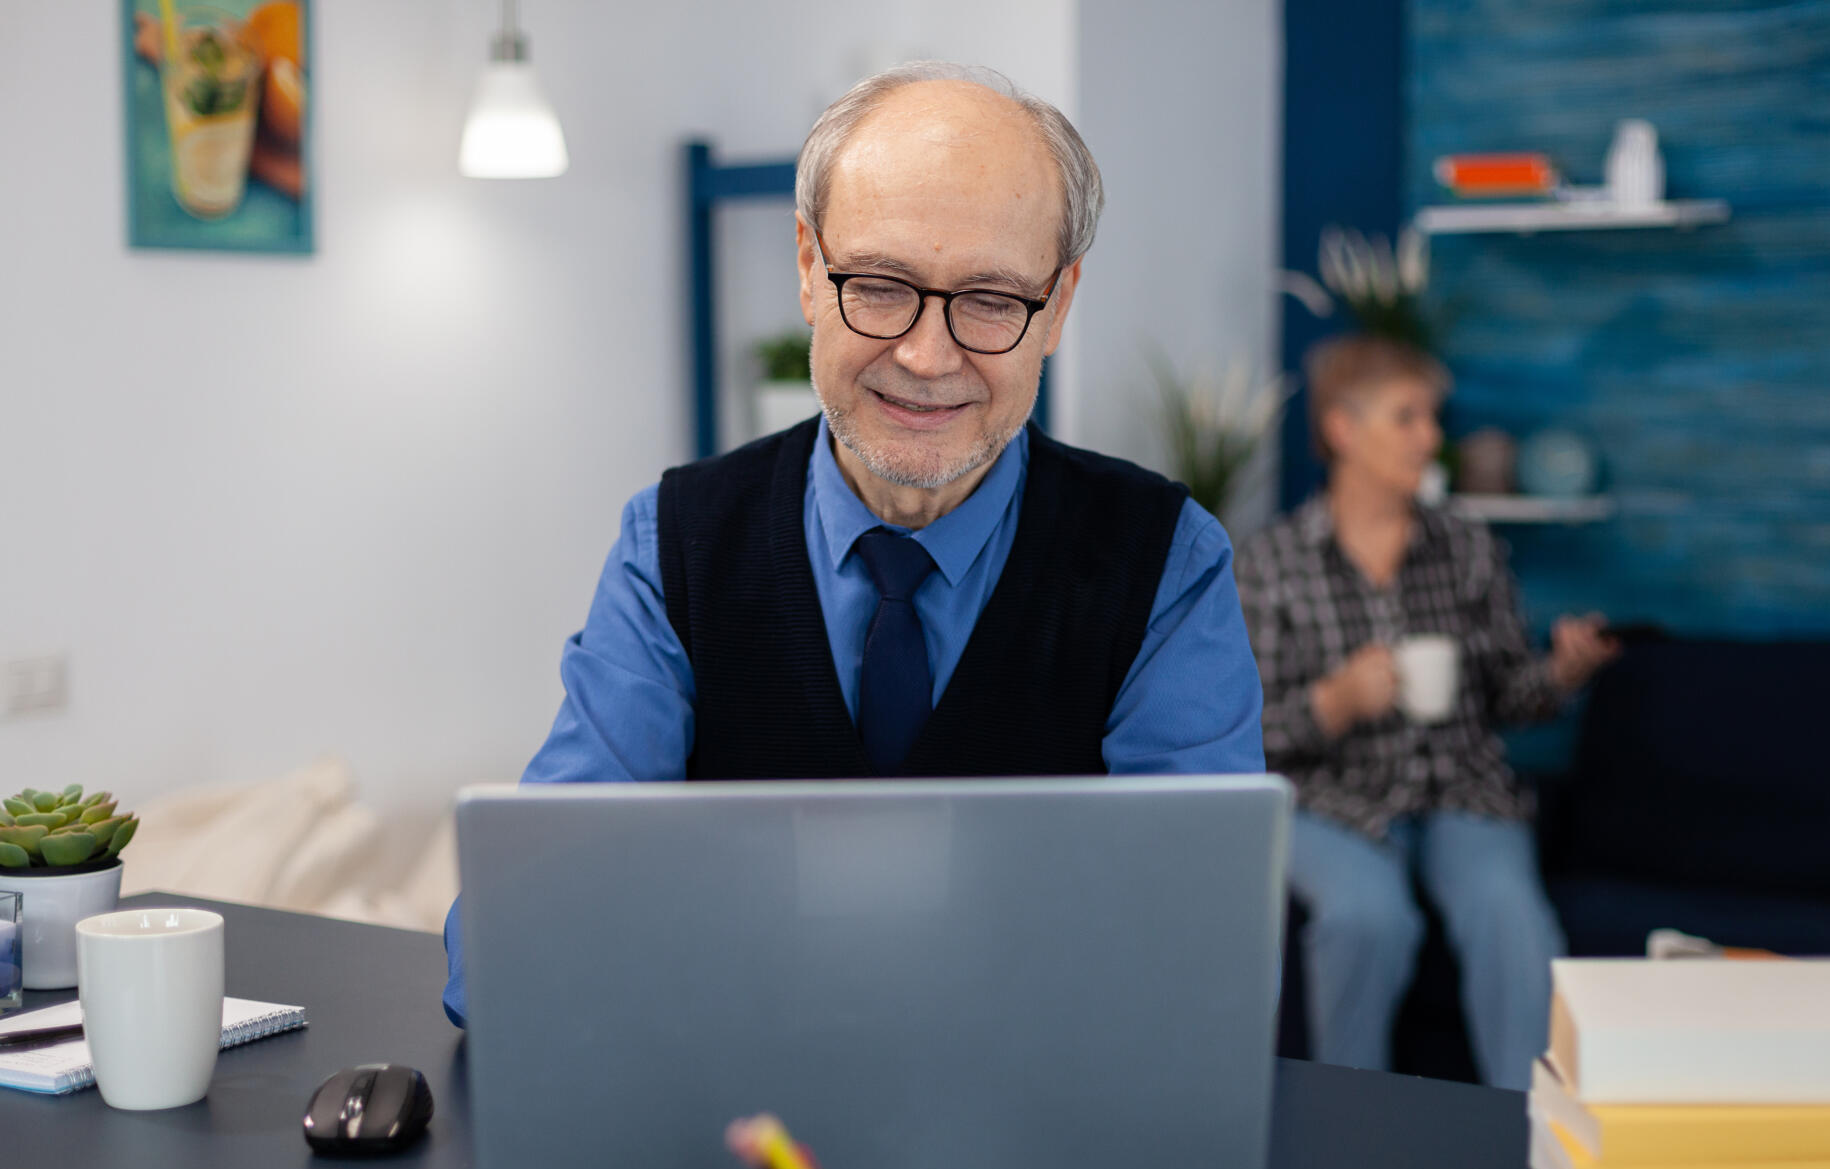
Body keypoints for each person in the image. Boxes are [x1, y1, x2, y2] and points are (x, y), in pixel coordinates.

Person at [440, 63, 1265, 1025]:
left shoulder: (1166, 563)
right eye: (878, 285)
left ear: (1062, 303)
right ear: (806, 267)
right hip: (733, 1129)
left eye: (992, 299)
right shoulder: (677, 544)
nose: (926, 355)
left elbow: (1197, 952)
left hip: (1040, 1138)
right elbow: (512, 941)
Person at [1234, 335, 1620, 1091]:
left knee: (1510, 913)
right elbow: (1241, 736)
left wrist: (1563, 672)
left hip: (1459, 790)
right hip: (1327, 798)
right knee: (1367, 919)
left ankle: (1533, 1125)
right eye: (1406, 417)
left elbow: (1514, 697)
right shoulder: (1270, 563)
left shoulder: (1468, 548)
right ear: (1343, 429)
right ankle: (1349, 1126)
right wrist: (1333, 703)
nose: (1430, 437)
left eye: (1431, 417)